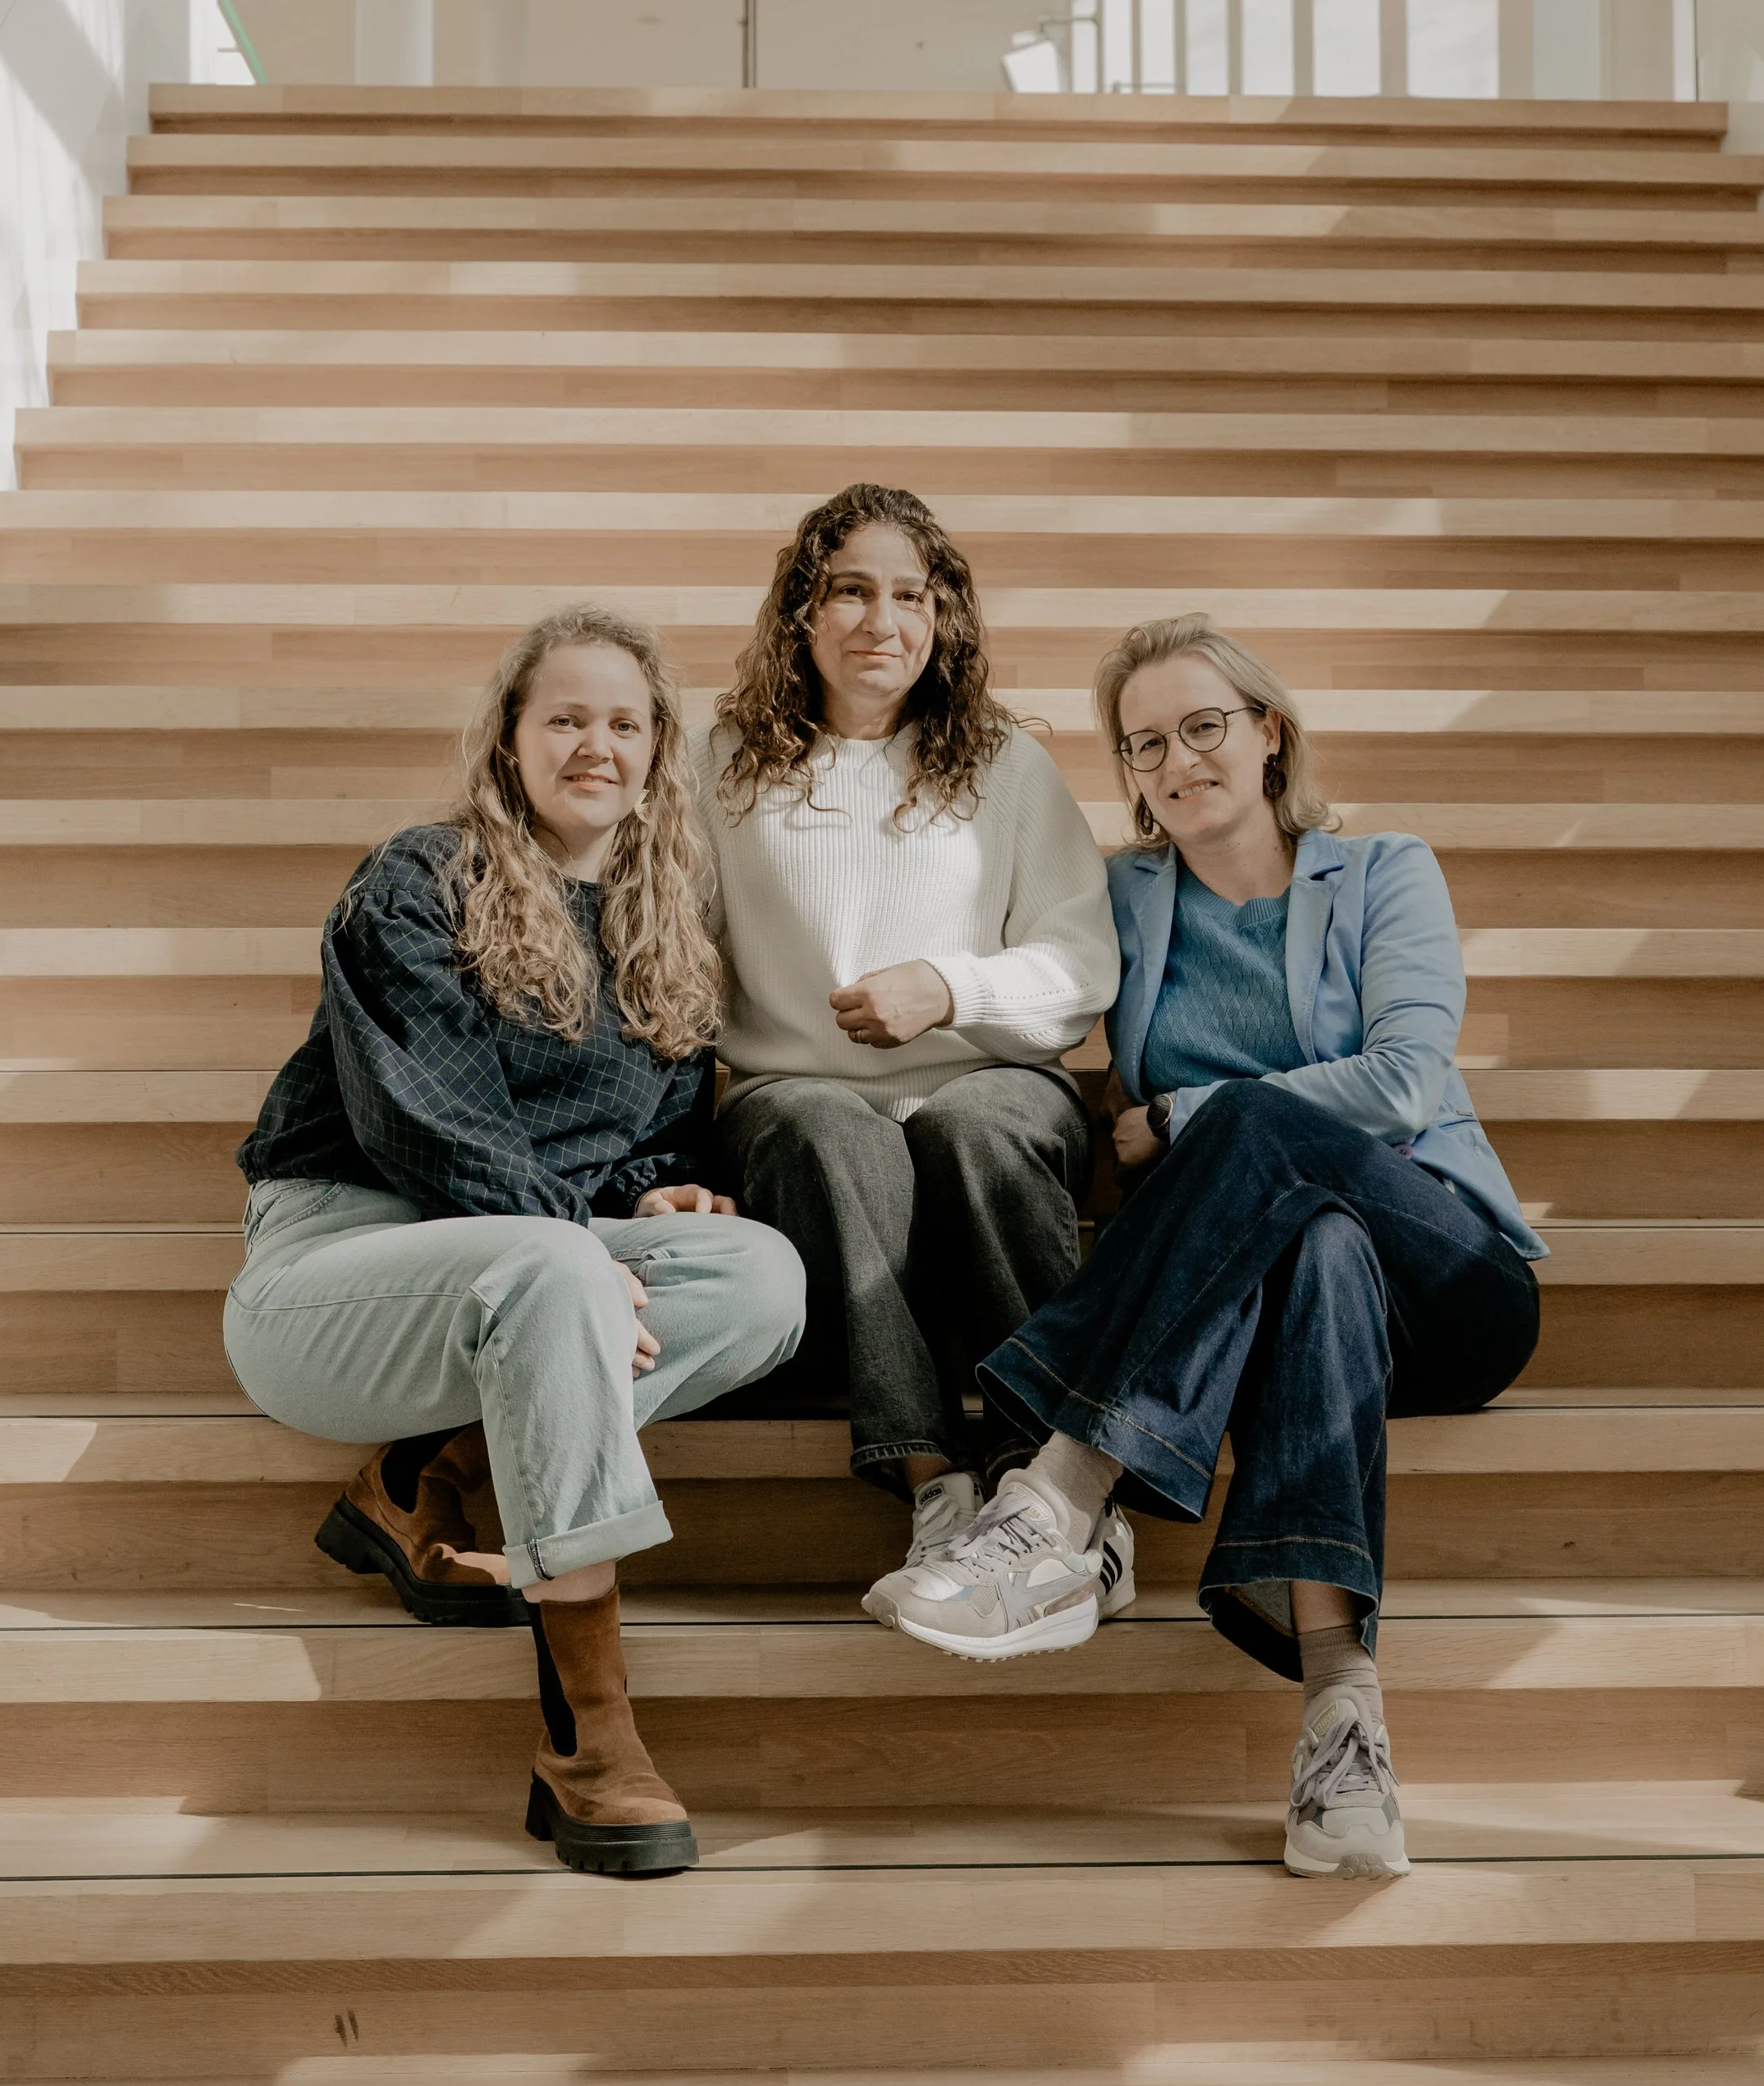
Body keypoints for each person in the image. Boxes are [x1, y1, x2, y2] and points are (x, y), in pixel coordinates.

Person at [866, 611, 1545, 1881]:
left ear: (1269, 732)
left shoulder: (1386, 868)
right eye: (1143, 745)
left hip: (1447, 1274)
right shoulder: (1119, 903)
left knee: (1261, 1131)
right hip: (1298, 1288)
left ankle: (1058, 1497)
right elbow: (1042, 1007)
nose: (1176, 761)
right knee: (1319, 1246)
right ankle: (1345, 1726)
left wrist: (1182, 1114)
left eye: (1203, 726)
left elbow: (1402, 1085)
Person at [224, 606, 807, 1879]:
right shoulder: (419, 878)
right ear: (511, 738)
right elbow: (427, 1119)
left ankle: (412, 1473)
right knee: (551, 1268)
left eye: (624, 722)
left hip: (527, 1278)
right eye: (566, 717)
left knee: (766, 1276)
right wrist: (577, 1247)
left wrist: (658, 1198)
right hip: (335, 1264)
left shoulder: (664, 932)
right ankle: (587, 1732)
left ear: (658, 752)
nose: (595, 744)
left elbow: (637, 1141)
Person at [695, 481, 1126, 1604]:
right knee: (833, 1132)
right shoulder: (720, 763)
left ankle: (1062, 1493)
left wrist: (951, 985)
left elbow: (1083, 968)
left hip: (989, 1078)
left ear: (943, 619)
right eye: (849, 591)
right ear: (801, 612)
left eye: (910, 594)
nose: (881, 621)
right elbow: (668, 953)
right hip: (795, 1094)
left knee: (977, 1130)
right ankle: (938, 1487)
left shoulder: (1003, 765)